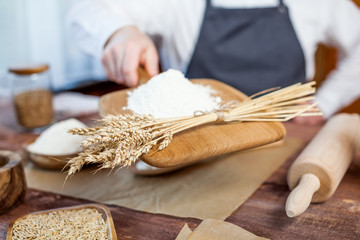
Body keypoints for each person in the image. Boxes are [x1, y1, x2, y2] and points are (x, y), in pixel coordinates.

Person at [68, 0, 360, 124]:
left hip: (287, 137)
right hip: (193, 142)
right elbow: (87, 10)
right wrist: (119, 33)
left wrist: (326, 102)